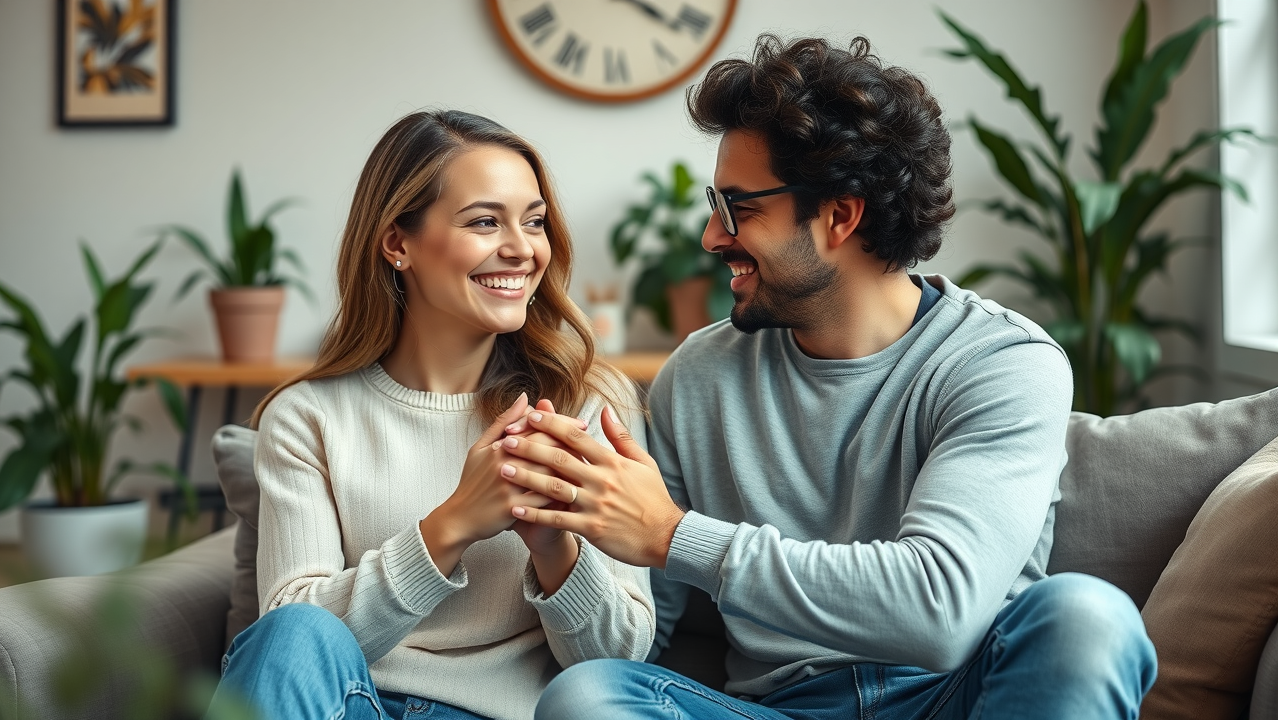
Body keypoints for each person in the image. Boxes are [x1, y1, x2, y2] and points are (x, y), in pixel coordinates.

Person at [496, 36, 1157, 719]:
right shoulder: (699, 375)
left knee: (1088, 617)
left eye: (741, 209)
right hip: (781, 709)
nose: (712, 237)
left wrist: (673, 534)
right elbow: (633, 650)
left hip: (958, 698)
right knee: (590, 697)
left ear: (841, 215)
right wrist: (561, 548)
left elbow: (939, 610)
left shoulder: (1001, 363)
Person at [207, 110, 654, 720]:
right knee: (292, 631)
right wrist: (451, 526)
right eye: (484, 221)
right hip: (350, 706)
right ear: (398, 242)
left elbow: (619, 659)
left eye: (534, 222)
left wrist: (556, 551)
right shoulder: (306, 417)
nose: (522, 250)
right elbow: (290, 646)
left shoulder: (587, 401)